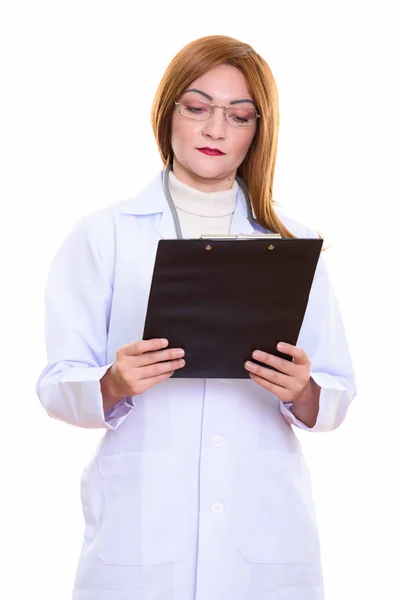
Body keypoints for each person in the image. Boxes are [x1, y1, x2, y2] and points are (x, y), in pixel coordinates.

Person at [36, 34, 356, 600]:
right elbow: (56, 383)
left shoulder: (292, 243)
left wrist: (302, 390)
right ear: (168, 113)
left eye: (239, 115)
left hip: (263, 536)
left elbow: (336, 394)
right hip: (141, 538)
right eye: (198, 107)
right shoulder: (105, 235)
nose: (216, 130)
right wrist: (111, 384)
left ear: (258, 131)